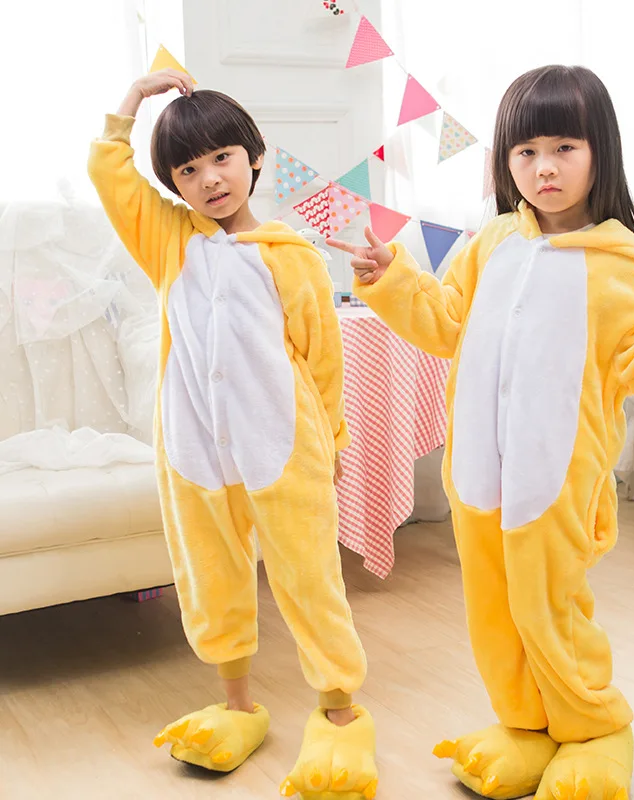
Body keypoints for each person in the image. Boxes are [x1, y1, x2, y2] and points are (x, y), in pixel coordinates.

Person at [327, 64, 634, 800]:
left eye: (563, 148)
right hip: (477, 470)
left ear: (599, 152)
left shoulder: (620, 261)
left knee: (550, 609)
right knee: (493, 610)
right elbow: (445, 323)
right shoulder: (490, 244)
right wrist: (389, 277)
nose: (543, 168)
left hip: (556, 477)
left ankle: (595, 729)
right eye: (526, 152)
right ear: (506, 162)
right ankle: (524, 724)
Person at [88, 68, 377, 799]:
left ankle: (340, 713)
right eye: (187, 169)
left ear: (255, 158)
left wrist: (336, 442)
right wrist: (135, 100)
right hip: (195, 449)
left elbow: (323, 360)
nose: (209, 178)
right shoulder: (168, 242)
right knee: (212, 578)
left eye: (222, 158)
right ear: (173, 184)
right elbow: (110, 174)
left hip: (285, 446)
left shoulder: (293, 256)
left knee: (309, 579)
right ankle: (238, 704)